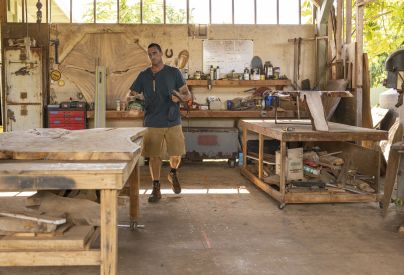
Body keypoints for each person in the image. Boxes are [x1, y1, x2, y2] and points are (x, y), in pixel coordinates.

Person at [128, 43, 191, 203]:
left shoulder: (173, 72)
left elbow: (187, 94)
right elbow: (132, 94)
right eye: (150, 54)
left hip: (172, 120)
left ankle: (172, 173)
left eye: (155, 53)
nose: (152, 56)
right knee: (154, 156)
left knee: (176, 154)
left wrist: (180, 98)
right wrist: (136, 99)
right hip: (152, 121)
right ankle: (156, 188)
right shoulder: (144, 75)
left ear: (161, 53)